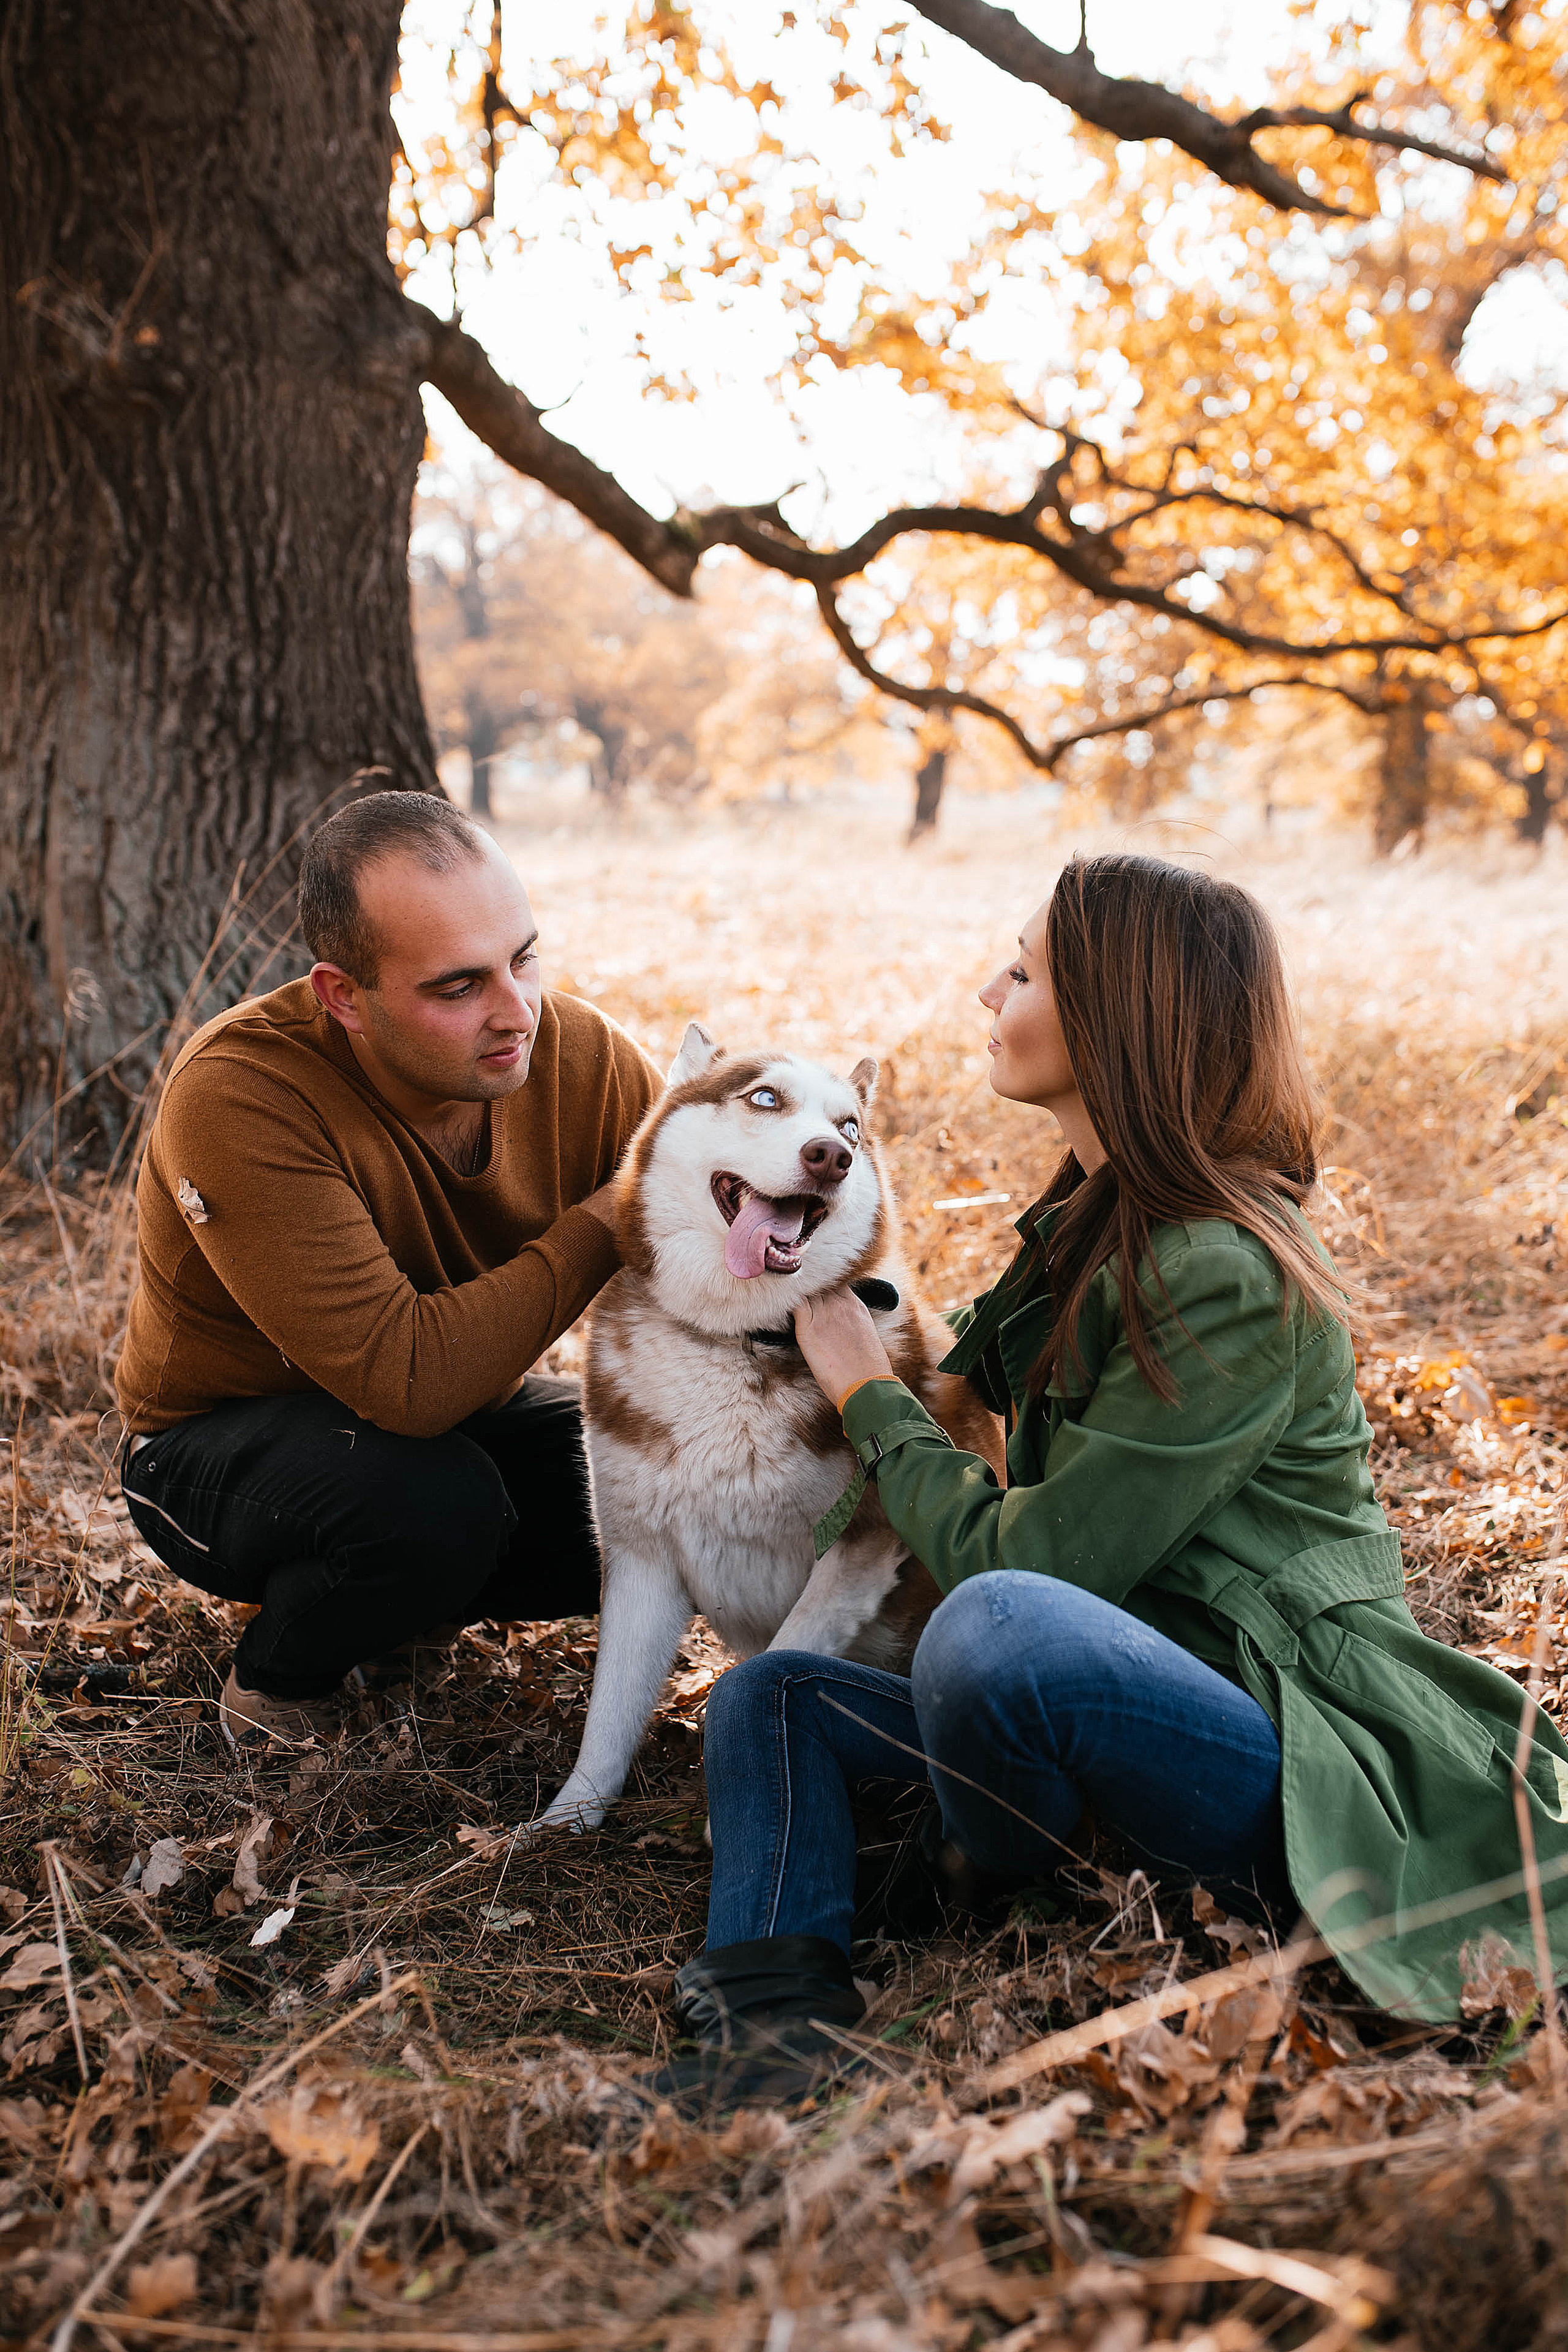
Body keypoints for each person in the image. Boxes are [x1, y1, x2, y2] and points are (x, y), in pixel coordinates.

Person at [652, 850, 1568, 2107]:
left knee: (996, 1619)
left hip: (1271, 1745)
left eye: (1022, 969)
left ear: (1115, 1015)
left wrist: (866, 1391)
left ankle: (1000, 1870)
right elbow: (947, 1390)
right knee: (769, 1699)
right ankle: (771, 2023)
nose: (987, 992)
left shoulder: (1221, 1270)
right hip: (1101, 1705)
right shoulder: (1091, 1218)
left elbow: (1033, 1566)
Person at [116, 790, 661, 1749]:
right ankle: (282, 1676)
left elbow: (699, 1210)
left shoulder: (578, 1054)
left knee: (663, 1488)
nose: (516, 1013)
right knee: (432, 1506)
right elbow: (409, 1384)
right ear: (343, 997)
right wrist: (607, 1218)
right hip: (215, 1446)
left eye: (524, 958)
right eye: (457, 988)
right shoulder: (240, 1093)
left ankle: (402, 1607)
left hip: (455, 1425)